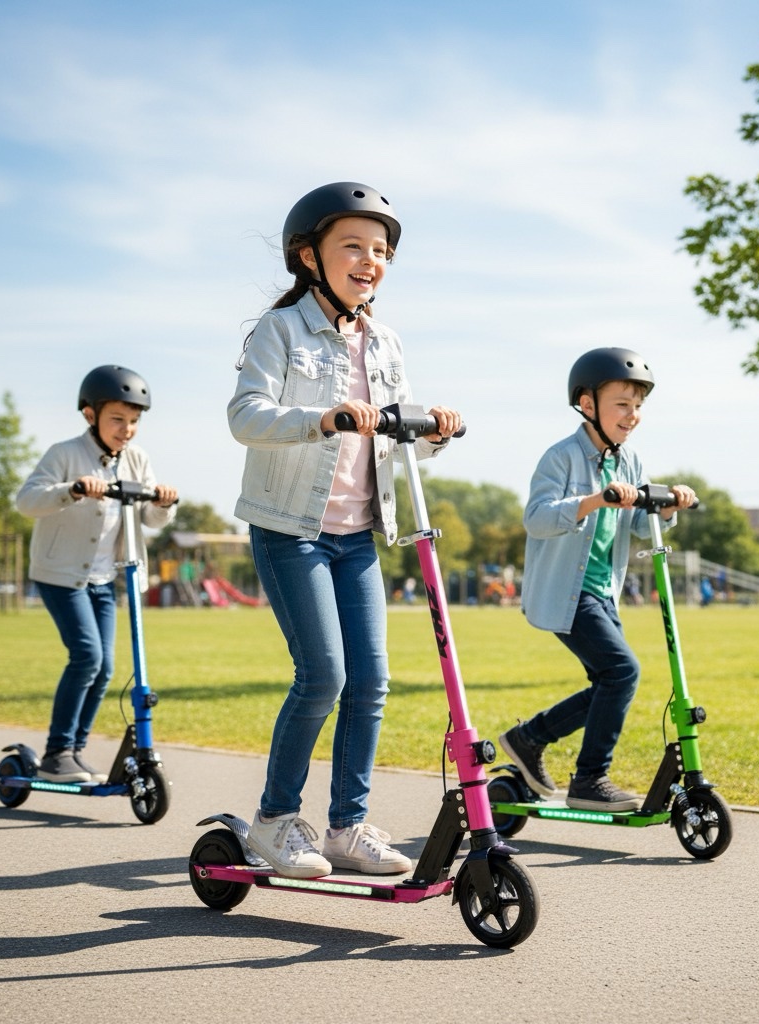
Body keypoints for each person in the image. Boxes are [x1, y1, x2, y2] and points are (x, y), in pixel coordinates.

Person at [228, 182, 462, 879]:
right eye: (352, 246)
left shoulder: (385, 342)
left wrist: (432, 431)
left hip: (358, 535)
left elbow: (393, 438)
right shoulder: (280, 331)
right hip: (290, 528)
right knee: (323, 674)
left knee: (371, 681)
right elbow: (246, 416)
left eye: (380, 250)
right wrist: (323, 417)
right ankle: (274, 822)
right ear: (309, 256)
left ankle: (346, 828)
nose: (370, 260)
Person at [499, 348, 696, 811]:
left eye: (638, 406)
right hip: (568, 593)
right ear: (587, 404)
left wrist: (667, 507)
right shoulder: (561, 458)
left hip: (605, 592)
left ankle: (529, 738)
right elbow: (536, 519)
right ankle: (590, 779)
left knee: (610, 682)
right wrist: (594, 500)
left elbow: (636, 524)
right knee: (623, 672)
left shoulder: (630, 462)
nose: (632, 415)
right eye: (622, 404)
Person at [17, 365, 178, 784]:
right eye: (117, 419)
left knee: (104, 668)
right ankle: (57, 753)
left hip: (104, 579)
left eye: (134, 421)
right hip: (60, 574)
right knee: (87, 656)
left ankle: (72, 752)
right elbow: (27, 501)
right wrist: (71, 489)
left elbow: (150, 519)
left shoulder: (137, 460)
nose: (127, 430)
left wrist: (162, 503)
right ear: (90, 415)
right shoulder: (64, 454)